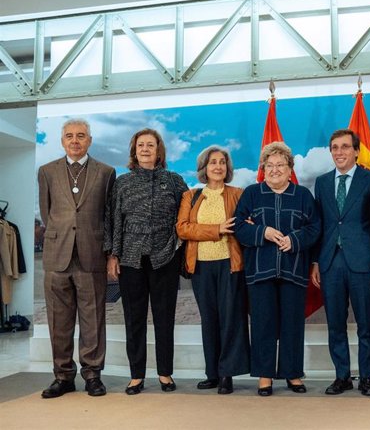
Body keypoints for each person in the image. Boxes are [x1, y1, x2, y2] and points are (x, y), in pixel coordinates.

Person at [105, 128, 188, 395]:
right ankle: (136, 376)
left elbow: (185, 219)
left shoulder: (175, 181)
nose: (145, 149)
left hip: (166, 257)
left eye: (150, 145)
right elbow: (114, 219)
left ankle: (165, 373)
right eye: (140, 145)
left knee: (165, 319)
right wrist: (113, 255)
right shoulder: (123, 183)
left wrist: (180, 249)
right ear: (134, 150)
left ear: (158, 150)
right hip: (131, 259)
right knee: (134, 318)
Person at [234, 142, 321, 396]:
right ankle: (264, 376)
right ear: (263, 169)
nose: (274, 170)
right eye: (269, 165)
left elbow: (315, 228)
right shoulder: (251, 193)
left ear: (290, 168)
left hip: (294, 270)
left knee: (292, 324)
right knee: (263, 323)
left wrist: (294, 240)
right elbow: (239, 226)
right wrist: (263, 231)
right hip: (260, 271)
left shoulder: (303, 195)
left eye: (280, 165)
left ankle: (292, 374)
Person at [38, 118, 115, 398]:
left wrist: (109, 253)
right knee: (59, 321)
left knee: (93, 319)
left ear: (89, 141)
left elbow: (108, 216)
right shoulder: (46, 172)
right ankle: (63, 376)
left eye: (81, 136)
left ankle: (93, 375)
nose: (75, 140)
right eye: (69, 136)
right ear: (62, 141)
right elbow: (48, 214)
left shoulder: (106, 172)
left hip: (91, 254)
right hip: (57, 256)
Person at [310, 129, 370, 396]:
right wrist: (316, 262)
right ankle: (342, 376)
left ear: (356, 151)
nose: (339, 152)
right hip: (330, 262)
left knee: (366, 324)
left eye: (345, 147)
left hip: (363, 262)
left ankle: (366, 377)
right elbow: (319, 225)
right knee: (335, 324)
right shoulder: (321, 182)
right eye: (334, 147)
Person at [176, 146, 250, 394]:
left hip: (230, 264)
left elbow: (246, 225)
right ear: (203, 169)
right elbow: (183, 229)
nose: (217, 166)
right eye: (212, 163)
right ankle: (213, 374)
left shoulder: (238, 194)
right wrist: (217, 228)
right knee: (209, 320)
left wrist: (244, 224)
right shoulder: (192, 196)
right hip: (200, 267)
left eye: (222, 162)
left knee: (230, 319)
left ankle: (227, 373)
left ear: (227, 168)